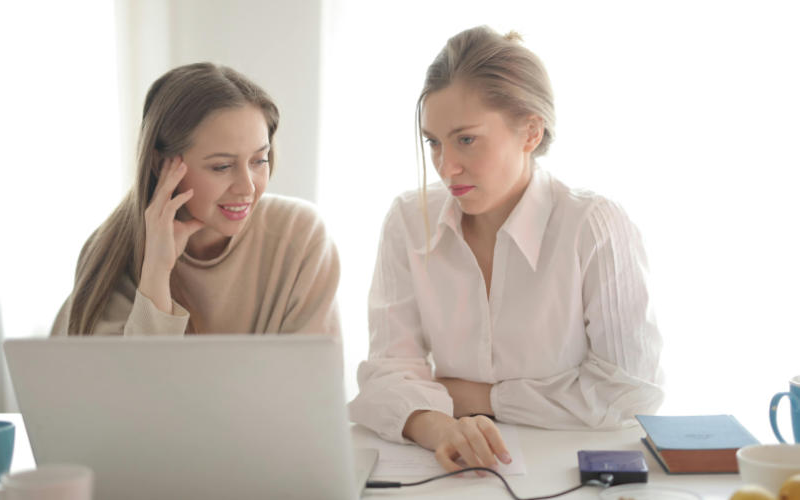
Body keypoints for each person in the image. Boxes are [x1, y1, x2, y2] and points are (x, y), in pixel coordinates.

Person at [349, 26, 664, 473]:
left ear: (531, 132)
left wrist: (480, 397)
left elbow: (631, 392)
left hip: (576, 472)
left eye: (466, 139)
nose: (445, 166)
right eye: (434, 142)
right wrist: (439, 426)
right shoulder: (407, 220)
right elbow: (385, 375)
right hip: (454, 471)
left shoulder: (593, 226)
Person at [51, 63, 340, 336]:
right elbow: (129, 385)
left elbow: (313, 380)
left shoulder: (300, 236)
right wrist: (155, 274)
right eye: (222, 166)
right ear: (159, 164)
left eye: (259, 160)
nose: (247, 188)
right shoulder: (109, 253)